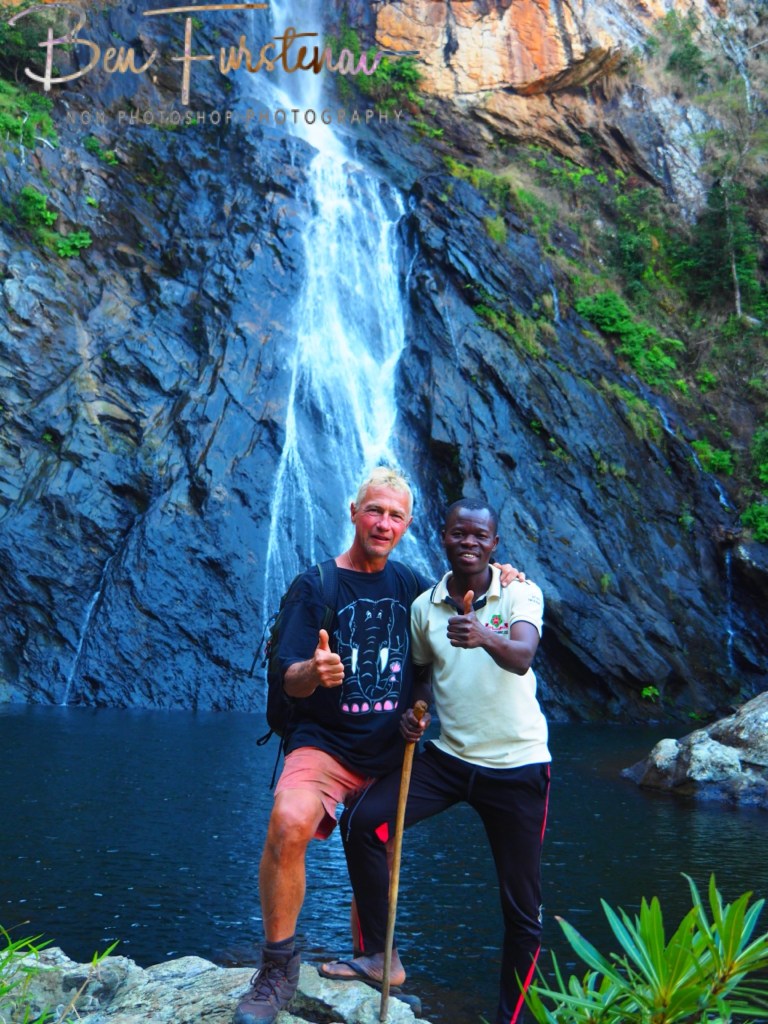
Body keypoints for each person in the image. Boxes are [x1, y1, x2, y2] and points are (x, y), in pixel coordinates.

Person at [234, 469, 521, 1024]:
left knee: (375, 837)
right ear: (354, 512)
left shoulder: (414, 586)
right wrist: (312, 673)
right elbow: (284, 677)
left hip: (393, 752)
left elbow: (473, 600)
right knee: (289, 821)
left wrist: (504, 577)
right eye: (374, 511)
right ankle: (275, 972)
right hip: (325, 746)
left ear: (408, 525)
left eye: (394, 516)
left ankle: (379, 958)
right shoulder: (314, 586)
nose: (383, 523)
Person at [321, 498, 550, 1024]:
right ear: (442, 537)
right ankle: (381, 955)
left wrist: (482, 634)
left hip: (518, 767)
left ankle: (508, 1019)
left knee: (521, 912)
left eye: (480, 536)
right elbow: (420, 674)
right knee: (361, 822)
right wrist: (414, 713)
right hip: (449, 758)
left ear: (494, 544)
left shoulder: (520, 591)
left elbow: (521, 656)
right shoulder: (424, 607)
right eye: (459, 533)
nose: (469, 542)